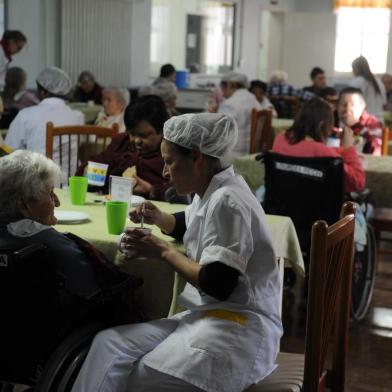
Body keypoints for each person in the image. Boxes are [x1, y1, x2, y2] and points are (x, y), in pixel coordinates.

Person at [71, 112, 282, 392]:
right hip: (211, 314)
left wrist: (162, 251)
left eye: (170, 161)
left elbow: (218, 282)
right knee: (108, 344)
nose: (164, 172)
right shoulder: (212, 189)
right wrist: (159, 218)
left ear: (196, 157)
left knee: (140, 374)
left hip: (240, 324)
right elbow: (190, 223)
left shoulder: (228, 201)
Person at [0, 150, 141, 326]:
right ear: (24, 205)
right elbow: (96, 291)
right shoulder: (47, 242)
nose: (57, 203)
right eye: (51, 194)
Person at [76, 95, 171, 200]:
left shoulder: (172, 152)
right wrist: (86, 170)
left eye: (143, 136)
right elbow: (99, 161)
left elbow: (183, 192)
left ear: (162, 130)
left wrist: (151, 190)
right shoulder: (122, 142)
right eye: (132, 134)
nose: (136, 141)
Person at [273, 98, 365, 193]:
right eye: (330, 126)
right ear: (321, 126)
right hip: (317, 206)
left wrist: (337, 150)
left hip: (282, 202)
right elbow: (358, 183)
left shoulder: (280, 139)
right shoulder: (325, 154)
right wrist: (348, 148)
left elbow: (306, 149)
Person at [5, 66, 84, 174]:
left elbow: (9, 151)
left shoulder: (26, 115)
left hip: (36, 184)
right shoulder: (78, 117)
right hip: (71, 183)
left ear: (42, 91)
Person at [218, 72, 262, 156]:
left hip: (234, 153)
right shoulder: (253, 98)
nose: (222, 93)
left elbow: (219, 131)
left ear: (230, 85)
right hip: (253, 150)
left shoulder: (229, 104)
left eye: (223, 88)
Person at [337, 87, 383, 155]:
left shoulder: (372, 123)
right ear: (337, 106)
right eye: (343, 104)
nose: (347, 109)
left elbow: (375, 146)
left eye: (352, 105)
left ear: (362, 107)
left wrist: (356, 126)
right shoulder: (332, 120)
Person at [350, 56, 386, 121]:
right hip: (379, 120)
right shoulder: (378, 81)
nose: (352, 71)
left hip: (365, 122)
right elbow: (383, 103)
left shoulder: (357, 81)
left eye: (353, 69)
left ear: (357, 69)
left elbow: (350, 103)